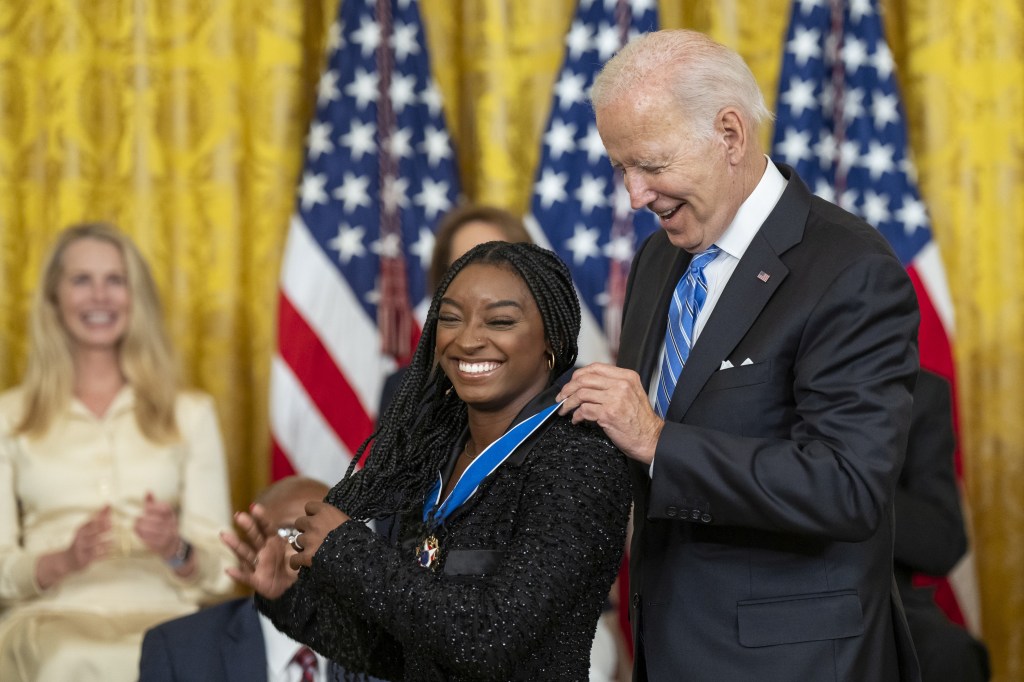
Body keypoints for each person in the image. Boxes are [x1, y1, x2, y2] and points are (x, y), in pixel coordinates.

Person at [556, 30, 922, 681]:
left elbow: (847, 486)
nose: (635, 196)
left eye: (652, 165)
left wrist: (658, 439)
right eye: (620, 169)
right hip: (670, 650)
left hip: (796, 663)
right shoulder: (658, 260)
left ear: (730, 134)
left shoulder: (849, 268)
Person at [224, 242, 632, 681]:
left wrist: (347, 549)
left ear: (551, 339)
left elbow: (491, 639)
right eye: (451, 318)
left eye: (500, 321)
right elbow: (402, 652)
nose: (468, 339)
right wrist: (290, 598)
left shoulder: (579, 459)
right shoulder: (432, 455)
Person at [0, 222, 234, 681]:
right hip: (53, 618)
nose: (100, 297)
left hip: (167, 614)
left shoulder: (191, 413)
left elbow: (223, 570)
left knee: (184, 657)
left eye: (115, 280)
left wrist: (177, 549)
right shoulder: (10, 416)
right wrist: (60, 561)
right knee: (66, 657)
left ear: (136, 298)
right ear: (53, 299)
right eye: (82, 280)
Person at [139, 476, 331, 682]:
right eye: (289, 533)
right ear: (251, 544)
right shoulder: (176, 649)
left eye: (325, 534)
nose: (308, 549)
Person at [378, 203, 533, 417]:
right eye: (463, 267)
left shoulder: (576, 392)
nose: (479, 283)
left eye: (496, 266)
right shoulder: (405, 391)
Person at [896, 370, 991, 682]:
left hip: (887, 598)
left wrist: (853, 483)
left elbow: (944, 542)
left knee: (949, 653)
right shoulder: (764, 382)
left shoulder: (921, 392)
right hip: (772, 586)